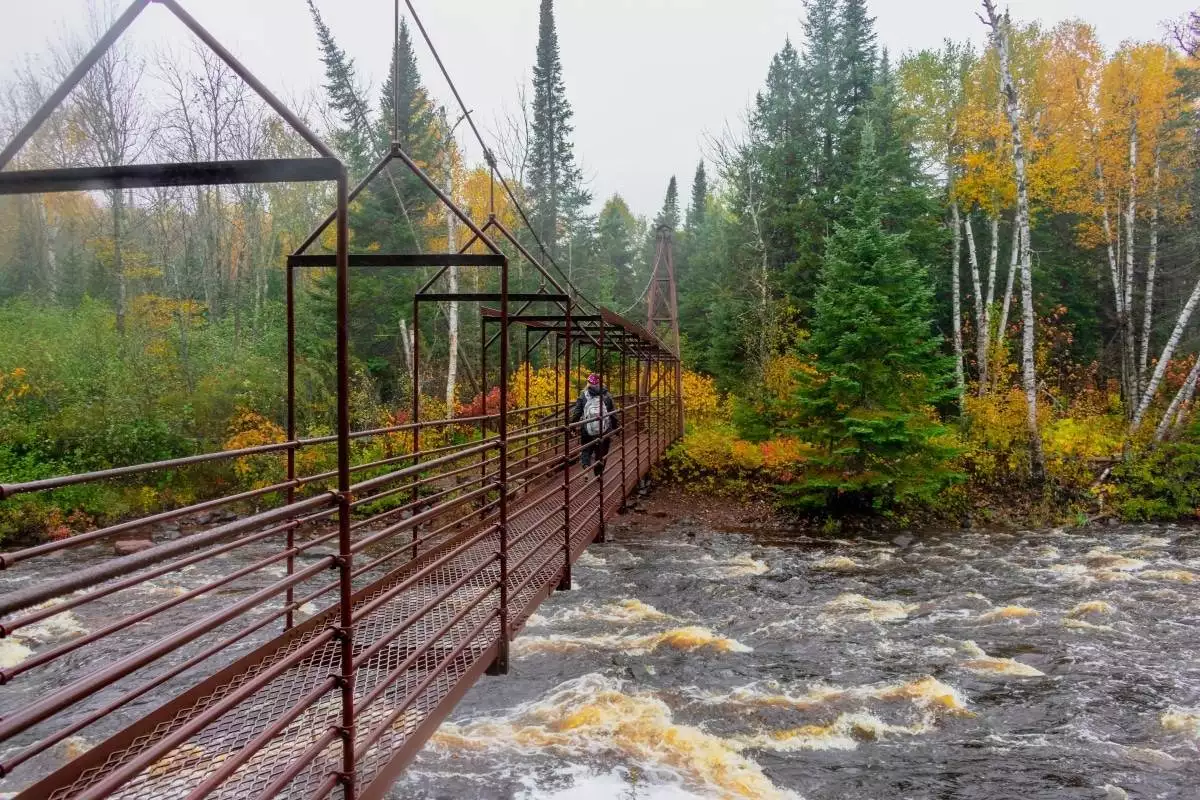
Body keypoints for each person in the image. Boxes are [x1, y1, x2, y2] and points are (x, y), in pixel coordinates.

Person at [570, 373, 620, 478]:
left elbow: (577, 413)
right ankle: (598, 474)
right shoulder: (607, 395)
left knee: (586, 448)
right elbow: (613, 414)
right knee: (602, 451)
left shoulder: (583, 395)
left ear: (588, 383)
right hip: (604, 429)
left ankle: (586, 465)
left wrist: (572, 427)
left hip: (587, 428)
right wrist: (617, 428)